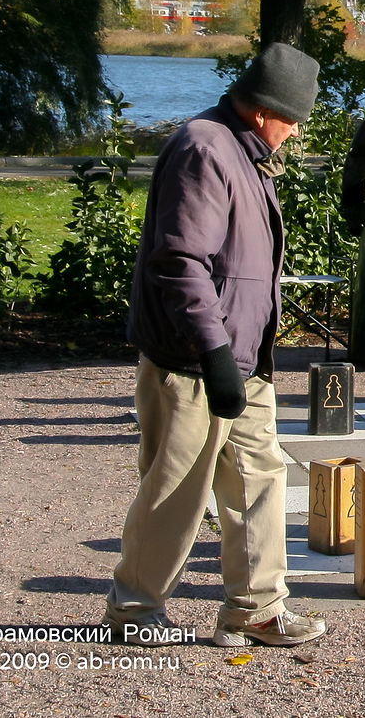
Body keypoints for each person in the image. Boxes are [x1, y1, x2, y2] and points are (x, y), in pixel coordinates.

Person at [103, 43, 327, 647]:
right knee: (177, 489)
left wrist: (237, 358)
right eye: (292, 119)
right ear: (263, 111)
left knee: (259, 477)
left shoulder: (245, 151)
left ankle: (256, 608)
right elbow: (179, 261)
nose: (296, 131)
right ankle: (133, 610)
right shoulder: (205, 148)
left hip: (241, 359)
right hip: (194, 360)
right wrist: (214, 353)